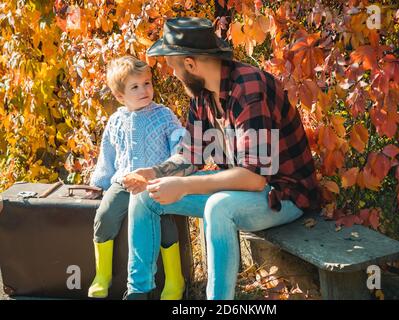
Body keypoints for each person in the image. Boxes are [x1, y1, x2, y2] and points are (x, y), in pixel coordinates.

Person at [122, 17, 321, 300]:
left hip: (284, 194)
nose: (173, 74)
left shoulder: (249, 89)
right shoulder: (202, 96)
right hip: (240, 189)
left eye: (173, 65)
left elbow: (253, 179)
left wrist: (184, 187)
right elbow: (191, 157)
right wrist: (153, 173)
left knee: (218, 207)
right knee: (145, 196)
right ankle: (138, 293)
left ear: (190, 64)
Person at [88, 55, 186, 300]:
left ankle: (175, 279)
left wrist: (176, 166)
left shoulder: (163, 115)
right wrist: (99, 182)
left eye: (147, 83)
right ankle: (103, 274)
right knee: (105, 215)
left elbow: (179, 142)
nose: (144, 90)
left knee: (163, 223)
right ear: (120, 96)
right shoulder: (116, 121)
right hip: (123, 181)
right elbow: (107, 154)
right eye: (135, 87)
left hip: (154, 182)